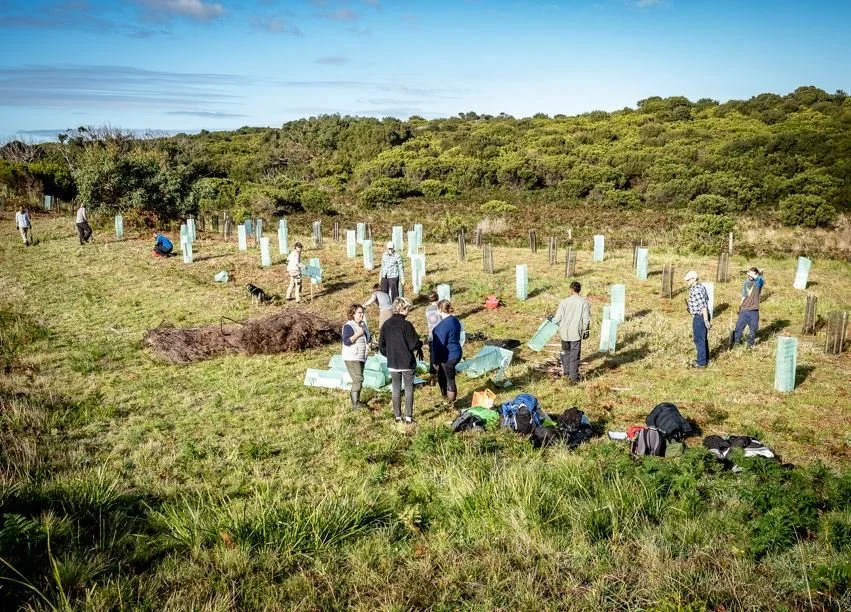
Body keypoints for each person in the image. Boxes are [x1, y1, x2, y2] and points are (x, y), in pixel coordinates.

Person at [379, 297, 423, 425]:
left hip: (393, 363)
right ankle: (408, 417)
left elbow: (381, 345)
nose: (409, 311)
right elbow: (413, 344)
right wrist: (419, 344)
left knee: (396, 389)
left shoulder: (386, 325)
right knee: (409, 389)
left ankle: (397, 417)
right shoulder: (406, 325)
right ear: (403, 309)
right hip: (407, 362)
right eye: (408, 308)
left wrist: (389, 355)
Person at [551, 281, 591, 384]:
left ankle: (566, 374)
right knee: (575, 356)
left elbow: (557, 318)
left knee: (566, 353)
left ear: (571, 290)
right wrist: (586, 330)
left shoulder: (564, 302)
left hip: (564, 333)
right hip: (576, 333)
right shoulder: (584, 302)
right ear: (579, 290)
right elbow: (586, 319)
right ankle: (573, 379)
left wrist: (550, 320)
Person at [432, 299, 463, 404]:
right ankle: (447, 398)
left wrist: (435, 360)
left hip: (447, 355)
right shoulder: (455, 321)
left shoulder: (441, 327)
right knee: (445, 376)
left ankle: (450, 402)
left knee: (449, 379)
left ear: (440, 309)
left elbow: (439, 346)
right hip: (457, 351)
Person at [341, 303, 371, 411]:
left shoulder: (362, 325)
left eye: (363, 312)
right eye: (359, 313)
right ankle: (355, 404)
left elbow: (367, 338)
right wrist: (358, 334)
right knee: (358, 378)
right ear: (353, 314)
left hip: (361, 356)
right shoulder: (349, 326)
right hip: (352, 357)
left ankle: (357, 401)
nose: (362, 315)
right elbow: (347, 341)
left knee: (359, 379)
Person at [731, 267, 764, 349]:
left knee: (753, 329)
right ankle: (736, 342)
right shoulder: (746, 283)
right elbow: (744, 295)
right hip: (744, 309)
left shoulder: (758, 283)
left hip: (754, 310)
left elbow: (761, 280)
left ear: (756, 274)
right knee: (739, 328)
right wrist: (740, 306)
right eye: (749, 273)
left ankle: (750, 345)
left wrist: (755, 274)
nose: (749, 275)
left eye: (752, 273)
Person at [684, 270, 711, 368]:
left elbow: (703, 306)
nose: (687, 281)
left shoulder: (696, 290)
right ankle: (705, 359)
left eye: (688, 279)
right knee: (703, 338)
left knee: (699, 339)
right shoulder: (701, 287)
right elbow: (706, 300)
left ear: (694, 279)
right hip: (701, 315)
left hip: (700, 317)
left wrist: (705, 320)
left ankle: (701, 363)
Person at [424, 292, 442, 384]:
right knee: (442, 354)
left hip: (431, 335)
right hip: (441, 335)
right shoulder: (440, 308)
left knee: (432, 355)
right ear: (438, 298)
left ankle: (432, 374)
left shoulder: (427, 310)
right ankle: (441, 372)